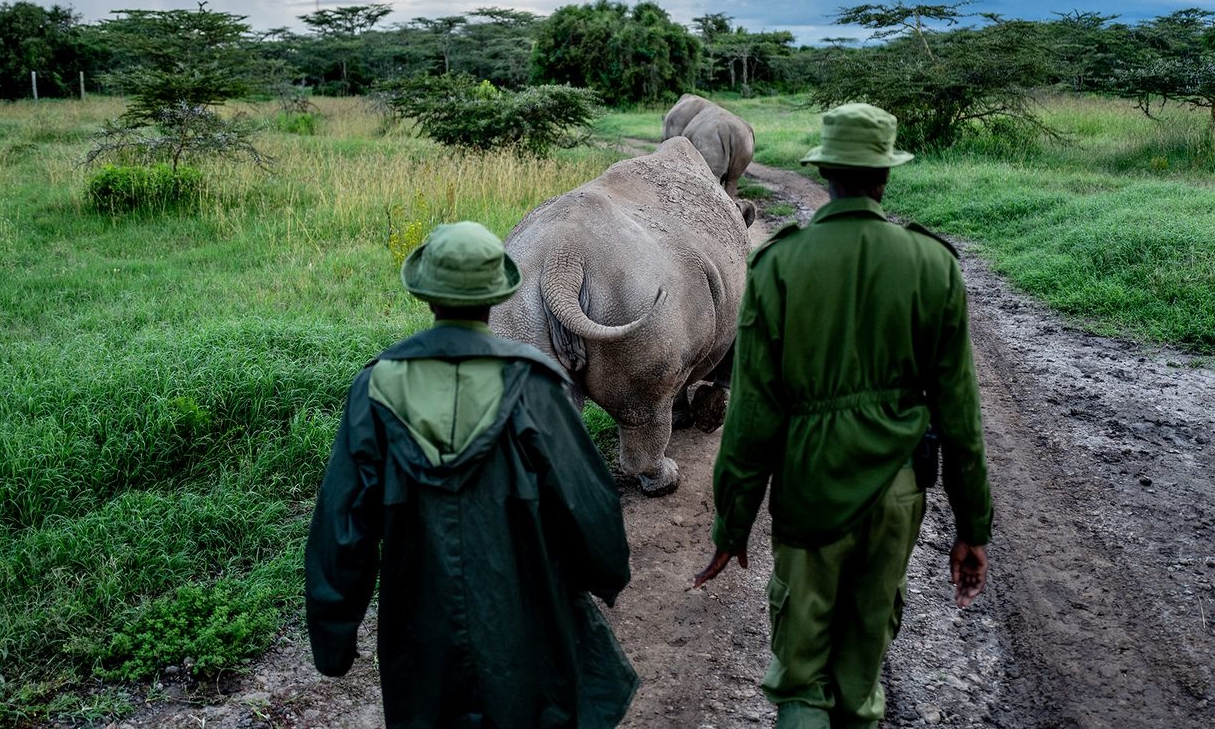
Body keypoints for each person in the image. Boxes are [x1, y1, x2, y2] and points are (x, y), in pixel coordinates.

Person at [693, 103, 994, 729]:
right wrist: (972, 527)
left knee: (801, 677)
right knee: (860, 674)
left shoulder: (777, 265)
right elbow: (962, 416)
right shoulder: (934, 264)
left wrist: (732, 521)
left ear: (824, 171)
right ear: (885, 176)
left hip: (809, 486)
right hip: (898, 492)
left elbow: (751, 417)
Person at [305, 220, 638, 729]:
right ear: (497, 297)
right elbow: (588, 501)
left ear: (426, 297)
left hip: (419, 627)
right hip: (526, 619)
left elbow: (341, 523)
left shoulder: (373, 389)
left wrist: (335, 633)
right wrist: (606, 572)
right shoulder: (534, 384)